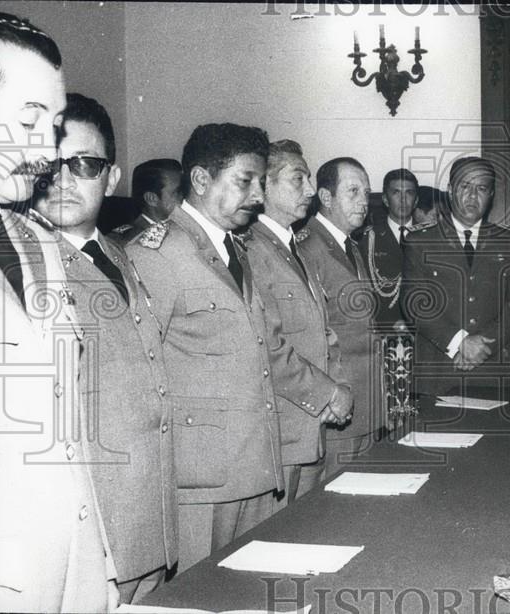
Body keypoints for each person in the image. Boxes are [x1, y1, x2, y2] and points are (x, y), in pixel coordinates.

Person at [0, 12, 118, 612]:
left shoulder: (35, 240)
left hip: (68, 567)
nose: (46, 150)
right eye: (29, 119)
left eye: (56, 124)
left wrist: (101, 572)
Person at [30, 93, 177, 603]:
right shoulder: (21, 268)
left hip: (151, 520)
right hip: (93, 538)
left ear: (111, 179)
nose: (64, 179)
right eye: (50, 164)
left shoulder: (121, 252)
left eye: (84, 164)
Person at [124, 124, 284, 571]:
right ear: (199, 180)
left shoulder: (236, 248)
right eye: (244, 181)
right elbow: (139, 373)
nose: (257, 196)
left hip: (253, 464)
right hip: (197, 479)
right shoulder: (155, 255)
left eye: (261, 182)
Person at [246, 139, 351, 504]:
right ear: (263, 186)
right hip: (281, 432)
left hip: (311, 429)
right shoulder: (251, 250)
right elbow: (268, 345)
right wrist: (328, 393)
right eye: (297, 179)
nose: (309, 190)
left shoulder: (295, 248)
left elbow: (324, 332)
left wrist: (339, 385)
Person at [401, 157, 510, 394]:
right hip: (440, 368)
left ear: (491, 195)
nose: (472, 196)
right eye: (465, 186)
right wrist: (459, 342)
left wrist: (483, 345)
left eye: (481, 188)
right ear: (450, 190)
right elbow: (414, 303)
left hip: (496, 367)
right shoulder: (420, 241)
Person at [296, 157, 379, 478]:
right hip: (339, 406)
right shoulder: (309, 246)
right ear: (326, 197)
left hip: (365, 404)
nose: (363, 201)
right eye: (353, 191)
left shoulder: (350, 246)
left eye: (367, 192)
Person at [359, 168, 419, 327]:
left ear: (417, 200)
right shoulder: (368, 239)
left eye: (409, 193)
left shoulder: (431, 238)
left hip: (425, 332)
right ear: (385, 200)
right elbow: (365, 292)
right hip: (383, 328)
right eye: (396, 193)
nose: (403, 199)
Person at [113, 158, 183, 240]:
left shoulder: (178, 228)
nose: (184, 197)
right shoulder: (127, 241)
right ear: (152, 199)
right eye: (178, 192)